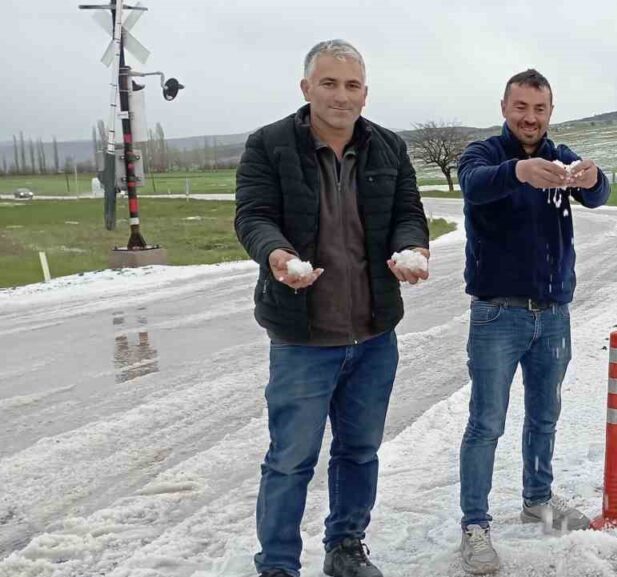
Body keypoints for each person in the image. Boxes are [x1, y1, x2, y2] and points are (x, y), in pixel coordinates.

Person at [234, 39, 430, 577]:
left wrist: (413, 247)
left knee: (359, 452)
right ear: (306, 88)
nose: (340, 96)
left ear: (365, 94)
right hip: (302, 337)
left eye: (351, 85)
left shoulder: (389, 147)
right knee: (290, 460)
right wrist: (275, 253)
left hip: (372, 333)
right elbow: (252, 215)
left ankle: (345, 548)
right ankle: (277, 564)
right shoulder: (268, 145)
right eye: (328, 83)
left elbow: (408, 214)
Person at [453, 68, 610, 575]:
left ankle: (537, 499)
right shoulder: (483, 155)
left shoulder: (559, 154)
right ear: (504, 108)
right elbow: (474, 186)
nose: (530, 117)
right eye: (521, 107)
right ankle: (474, 525)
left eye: (539, 109)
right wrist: (518, 173)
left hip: (554, 314)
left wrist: (592, 177)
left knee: (545, 415)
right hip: (497, 313)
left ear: (550, 111)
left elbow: (598, 194)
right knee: (486, 423)